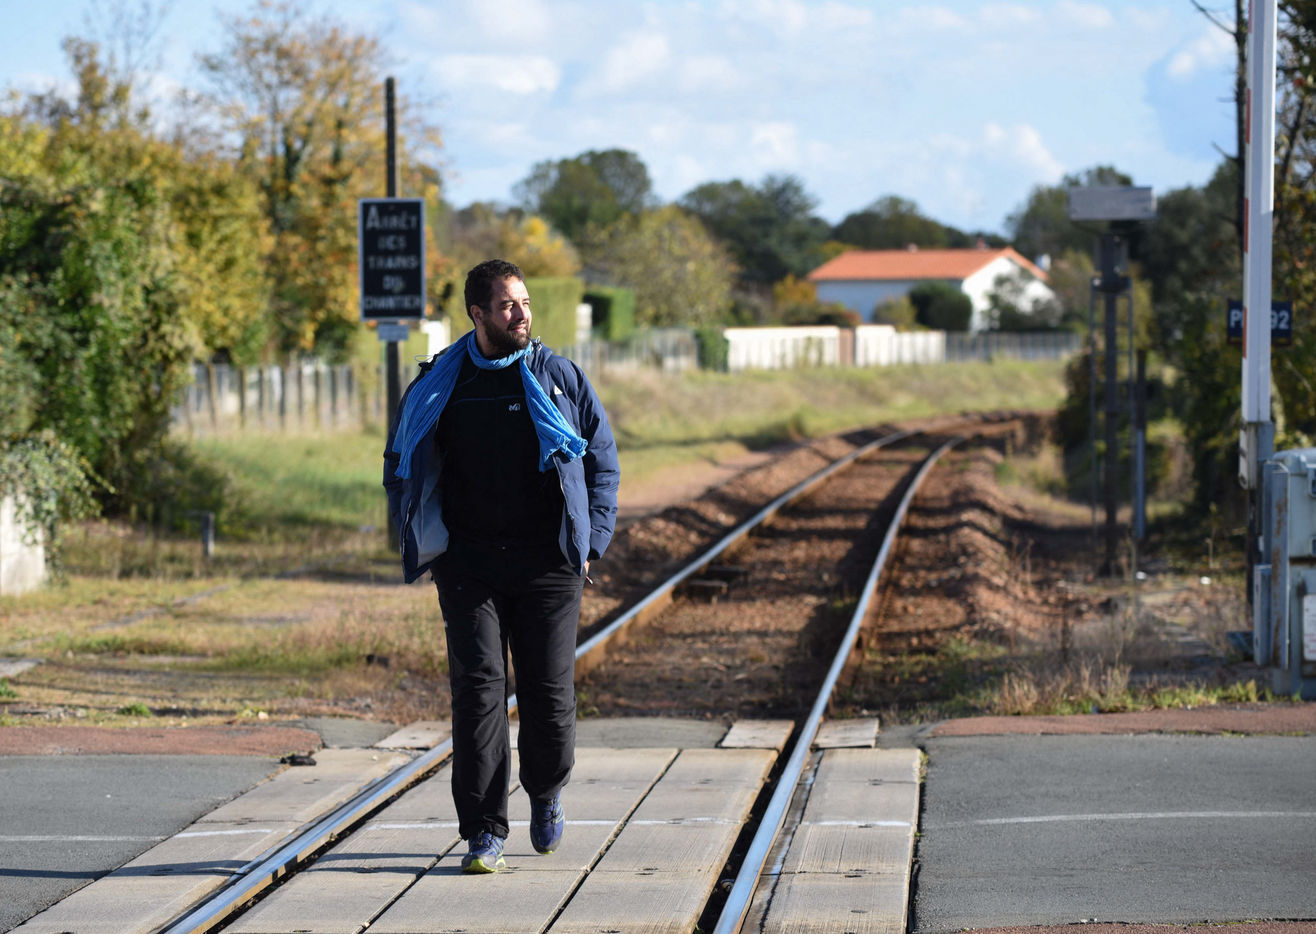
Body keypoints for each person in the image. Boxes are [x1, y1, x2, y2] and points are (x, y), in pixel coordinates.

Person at [383, 259, 619, 874]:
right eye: (509, 304)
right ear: (478, 314)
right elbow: (400, 459)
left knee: (548, 693)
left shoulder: (558, 377)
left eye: (526, 302)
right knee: (477, 693)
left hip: (548, 564)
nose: (522, 314)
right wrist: (416, 532)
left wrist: (591, 539)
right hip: (470, 564)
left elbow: (601, 459)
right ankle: (484, 832)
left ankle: (546, 791)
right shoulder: (441, 382)